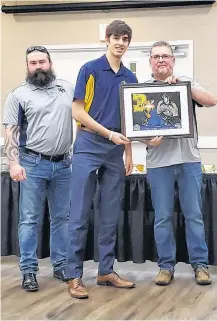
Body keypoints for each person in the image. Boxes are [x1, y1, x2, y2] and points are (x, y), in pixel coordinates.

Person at [66, 20, 137, 299]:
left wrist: (128, 152)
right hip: (88, 145)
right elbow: (77, 111)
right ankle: (74, 275)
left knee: (109, 215)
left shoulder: (130, 78)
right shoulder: (90, 69)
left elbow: (131, 120)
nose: (120, 42)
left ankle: (106, 271)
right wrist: (108, 134)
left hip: (115, 151)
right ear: (106, 40)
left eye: (125, 39)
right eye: (116, 37)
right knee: (80, 214)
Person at [143, 41, 217, 286]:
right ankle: (166, 267)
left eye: (165, 56)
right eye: (156, 56)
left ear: (173, 61)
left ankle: (200, 266)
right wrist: (146, 139)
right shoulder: (142, 90)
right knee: (162, 218)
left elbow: (211, 100)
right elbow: (135, 128)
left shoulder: (185, 82)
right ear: (150, 62)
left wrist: (184, 86)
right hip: (158, 163)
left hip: (189, 161)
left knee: (194, 215)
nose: (161, 60)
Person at [3, 46, 74, 292]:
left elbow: (83, 115)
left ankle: (61, 266)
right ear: (27, 67)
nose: (38, 67)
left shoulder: (67, 88)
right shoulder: (18, 95)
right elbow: (10, 131)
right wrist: (13, 162)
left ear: (50, 63)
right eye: (32, 63)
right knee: (30, 220)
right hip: (32, 164)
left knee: (62, 219)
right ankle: (29, 271)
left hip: (64, 164)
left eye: (42, 61)